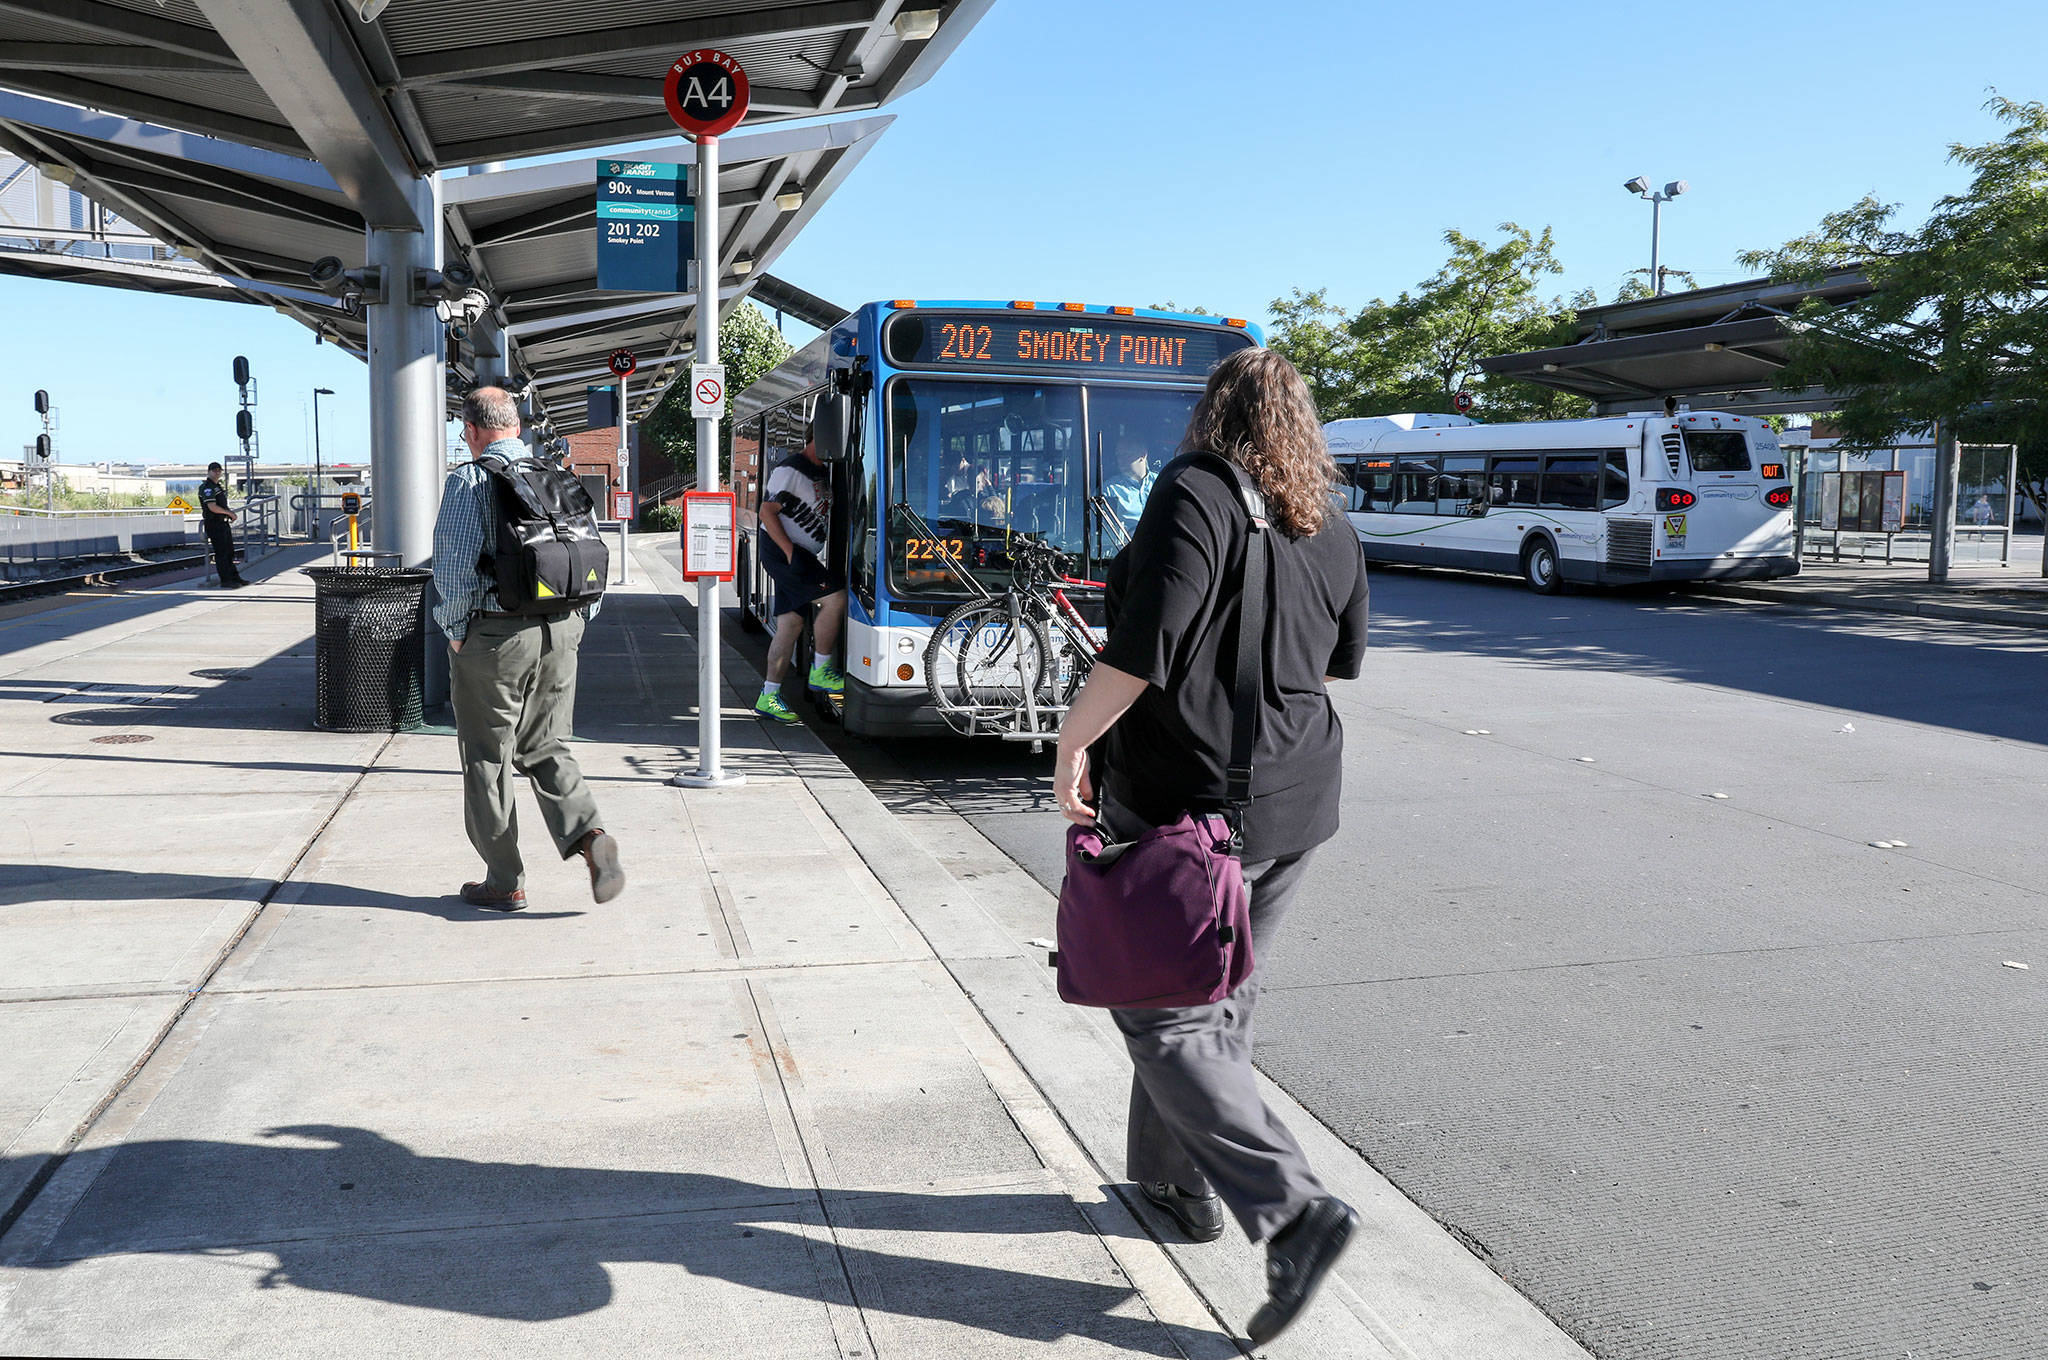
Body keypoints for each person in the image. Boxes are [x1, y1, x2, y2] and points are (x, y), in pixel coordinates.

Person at [1052, 347, 1371, 1347]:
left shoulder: (1194, 489)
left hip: (1202, 809)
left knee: (1166, 1018)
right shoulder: (1322, 513)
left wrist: (1072, 735)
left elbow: (1143, 646)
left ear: (1210, 412)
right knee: (1212, 997)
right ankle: (1170, 1183)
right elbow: (1343, 655)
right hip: (1296, 799)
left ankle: (1289, 1209)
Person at [432, 386, 624, 911]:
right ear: (516, 426)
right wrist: (578, 621)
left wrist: (454, 631)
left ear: (470, 431)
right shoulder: (554, 474)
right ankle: (589, 837)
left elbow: (451, 568)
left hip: (496, 637)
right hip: (562, 628)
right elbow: (585, 549)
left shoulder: (471, 479)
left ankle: (504, 880)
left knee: (487, 757)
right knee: (546, 745)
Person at [755, 425, 846, 725]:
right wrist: (791, 553)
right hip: (787, 551)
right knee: (835, 598)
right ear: (814, 437)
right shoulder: (793, 468)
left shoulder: (823, 470)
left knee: (791, 623)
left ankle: (769, 696)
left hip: (796, 552)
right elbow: (766, 511)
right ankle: (821, 671)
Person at [198, 462, 246, 588]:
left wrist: (228, 515)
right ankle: (225, 580)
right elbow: (212, 507)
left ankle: (235, 577)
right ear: (209, 472)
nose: (217, 472)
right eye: (214, 470)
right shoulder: (207, 487)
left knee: (230, 552)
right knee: (222, 553)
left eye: (219, 470)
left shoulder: (217, 486)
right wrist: (229, 513)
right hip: (214, 523)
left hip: (222, 523)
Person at [1101, 438, 1157, 533]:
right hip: (1125, 546)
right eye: (1118, 455)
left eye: (1126, 454)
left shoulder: (1161, 482)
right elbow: (1099, 529)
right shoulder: (1109, 490)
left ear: (1143, 455)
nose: (1121, 460)